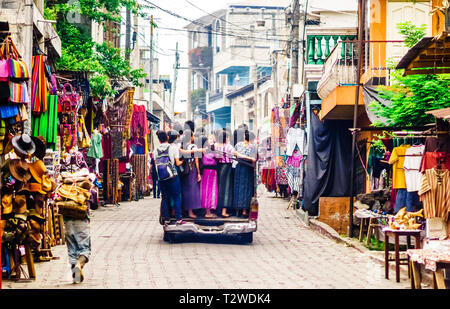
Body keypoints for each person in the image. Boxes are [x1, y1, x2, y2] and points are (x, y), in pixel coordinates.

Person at [154, 130, 184, 225]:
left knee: (164, 198)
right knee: (176, 196)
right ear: (167, 138)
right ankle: (178, 218)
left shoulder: (155, 150)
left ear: (159, 139)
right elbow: (178, 163)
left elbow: (156, 164)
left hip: (161, 177)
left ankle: (166, 219)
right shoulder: (172, 148)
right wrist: (184, 160)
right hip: (172, 175)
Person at [233, 130, 257, 217]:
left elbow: (235, 154)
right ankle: (243, 211)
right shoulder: (253, 146)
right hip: (247, 168)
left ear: (244, 136)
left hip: (240, 168)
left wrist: (240, 155)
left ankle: (238, 210)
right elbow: (254, 159)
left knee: (239, 188)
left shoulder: (238, 145)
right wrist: (248, 158)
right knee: (246, 189)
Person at [179, 129, 202, 218]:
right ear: (191, 137)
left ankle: (185, 211)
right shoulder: (193, 146)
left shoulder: (182, 146)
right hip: (192, 170)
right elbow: (196, 161)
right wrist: (199, 173)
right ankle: (190, 212)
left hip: (184, 169)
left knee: (185, 190)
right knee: (192, 191)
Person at [215, 130, 235, 218]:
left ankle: (217, 210)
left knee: (218, 187)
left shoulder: (216, 146)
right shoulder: (228, 147)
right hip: (227, 167)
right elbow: (236, 154)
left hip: (218, 167)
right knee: (226, 188)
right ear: (226, 138)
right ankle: (224, 211)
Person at [200, 135, 219, 218]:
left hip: (205, 172)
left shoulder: (204, 150)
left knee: (205, 190)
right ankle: (208, 212)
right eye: (210, 139)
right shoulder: (210, 150)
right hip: (211, 172)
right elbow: (219, 157)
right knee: (210, 191)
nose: (212, 140)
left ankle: (207, 211)